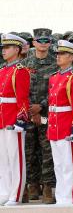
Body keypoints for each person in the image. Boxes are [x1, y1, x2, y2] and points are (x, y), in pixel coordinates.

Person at [47, 41, 73, 205]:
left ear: (70, 57)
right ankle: (60, 197)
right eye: (57, 54)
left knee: (69, 166)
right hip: (54, 126)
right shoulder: (54, 77)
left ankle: (68, 199)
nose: (58, 56)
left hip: (66, 127)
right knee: (58, 165)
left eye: (62, 54)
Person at [23, 27, 58, 203]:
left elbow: (57, 89)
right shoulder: (25, 63)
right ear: (33, 43)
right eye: (40, 40)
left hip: (47, 115)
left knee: (47, 152)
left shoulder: (55, 63)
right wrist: (31, 109)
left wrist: (41, 106)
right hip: (27, 114)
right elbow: (20, 89)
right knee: (28, 152)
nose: (43, 44)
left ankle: (48, 189)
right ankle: (32, 186)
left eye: (47, 41)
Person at [0, 33, 31, 207]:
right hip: (1, 118)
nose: (3, 51)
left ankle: (15, 194)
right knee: (3, 158)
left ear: (17, 50)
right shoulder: (2, 70)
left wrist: (20, 120)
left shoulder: (20, 71)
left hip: (13, 119)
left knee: (15, 157)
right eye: (3, 48)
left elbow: (23, 98)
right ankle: (4, 191)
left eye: (7, 47)